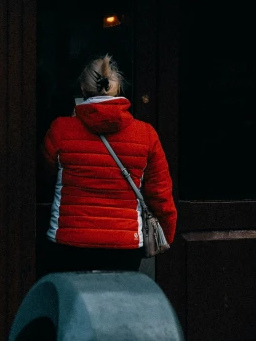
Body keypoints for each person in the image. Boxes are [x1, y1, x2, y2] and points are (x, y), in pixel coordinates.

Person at [38, 54, 177, 277]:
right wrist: (166, 235)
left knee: (74, 306)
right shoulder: (146, 134)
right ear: (118, 87)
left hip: (70, 240)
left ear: (83, 88)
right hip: (125, 244)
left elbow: (47, 174)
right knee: (117, 307)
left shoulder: (60, 129)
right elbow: (160, 195)